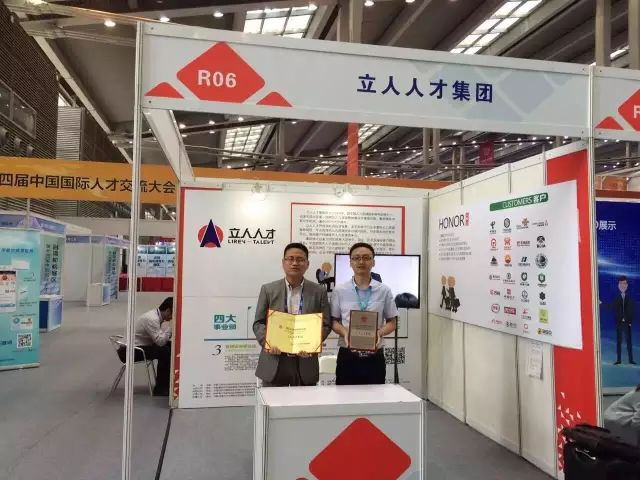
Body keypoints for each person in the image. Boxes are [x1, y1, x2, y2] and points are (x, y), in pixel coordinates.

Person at [253, 242, 331, 387]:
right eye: (290, 259)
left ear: (307, 264)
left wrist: (312, 344)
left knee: (304, 402)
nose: (295, 263)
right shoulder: (268, 289)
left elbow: (326, 324)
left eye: (300, 259)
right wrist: (268, 342)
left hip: (305, 360)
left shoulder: (319, 291)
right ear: (283, 263)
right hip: (274, 360)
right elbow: (258, 323)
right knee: (273, 401)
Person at [331, 242, 398, 385]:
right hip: (348, 355)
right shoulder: (339, 290)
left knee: (375, 397)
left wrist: (379, 333)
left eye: (366, 258)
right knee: (344, 396)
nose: (361, 262)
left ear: (373, 262)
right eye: (356, 258)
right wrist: (344, 332)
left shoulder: (384, 290)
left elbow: (392, 322)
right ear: (350, 262)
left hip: (375, 355)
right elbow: (334, 321)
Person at [129, 297, 173, 396]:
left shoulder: (155, 316)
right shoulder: (152, 319)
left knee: (170, 346)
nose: (172, 318)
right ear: (168, 310)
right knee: (164, 351)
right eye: (172, 315)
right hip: (131, 351)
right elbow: (160, 342)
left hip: (140, 346)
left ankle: (167, 383)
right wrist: (171, 328)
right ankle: (161, 389)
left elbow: (159, 339)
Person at [602, 276, 636, 365]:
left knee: (629, 342)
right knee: (619, 342)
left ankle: (631, 359)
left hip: (627, 323)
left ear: (627, 285)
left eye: (624, 283)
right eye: (621, 284)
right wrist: (601, 303)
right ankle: (619, 360)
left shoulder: (630, 298)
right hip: (619, 323)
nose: (622, 285)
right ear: (618, 285)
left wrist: (630, 322)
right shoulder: (616, 298)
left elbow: (632, 310)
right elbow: (610, 306)